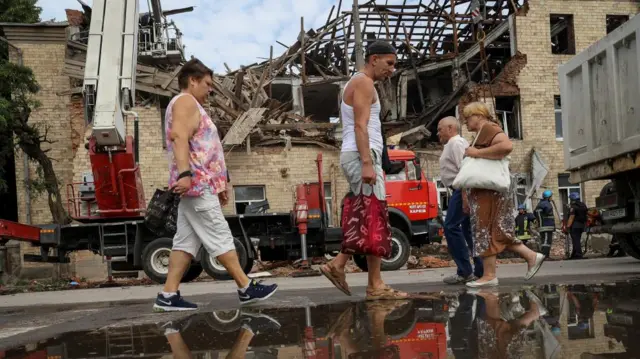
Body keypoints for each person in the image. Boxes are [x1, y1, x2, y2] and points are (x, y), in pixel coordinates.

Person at [154, 58, 278, 312]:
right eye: (208, 84)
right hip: (197, 184)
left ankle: (168, 295)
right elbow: (179, 136)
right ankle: (245, 287)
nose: (210, 89)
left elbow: (207, 148)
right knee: (219, 233)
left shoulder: (189, 105)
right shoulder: (186, 101)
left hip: (198, 184)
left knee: (185, 243)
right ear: (192, 80)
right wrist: (185, 174)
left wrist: (221, 183)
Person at [319, 40, 408, 300]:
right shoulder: (364, 83)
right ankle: (361, 277)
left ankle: (361, 276)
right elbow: (360, 126)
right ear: (374, 59)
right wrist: (368, 162)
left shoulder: (360, 83)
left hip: (361, 156)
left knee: (370, 215)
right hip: (361, 157)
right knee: (372, 214)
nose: (391, 70)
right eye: (389, 63)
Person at [460, 101, 545, 288]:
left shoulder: (488, 128)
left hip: (489, 191)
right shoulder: (482, 132)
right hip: (487, 191)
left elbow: (506, 146)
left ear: (479, 115)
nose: (465, 122)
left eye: (467, 117)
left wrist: (476, 153)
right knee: (495, 231)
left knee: (485, 230)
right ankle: (530, 256)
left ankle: (490, 275)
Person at [437, 116, 483, 284]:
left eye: (440, 129)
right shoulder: (454, 143)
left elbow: (464, 171)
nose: (438, 133)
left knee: (450, 227)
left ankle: (464, 271)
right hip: (461, 190)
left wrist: (464, 197)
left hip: (462, 189)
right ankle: (480, 270)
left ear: (450, 128)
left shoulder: (456, 143)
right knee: (468, 231)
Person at [535, 190, 557, 258]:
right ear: (548, 197)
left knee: (544, 241)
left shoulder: (539, 204)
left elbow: (535, 213)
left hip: (542, 226)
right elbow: (548, 212)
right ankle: (544, 255)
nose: (552, 198)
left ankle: (545, 255)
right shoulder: (547, 204)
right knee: (547, 241)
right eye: (551, 196)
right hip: (547, 226)